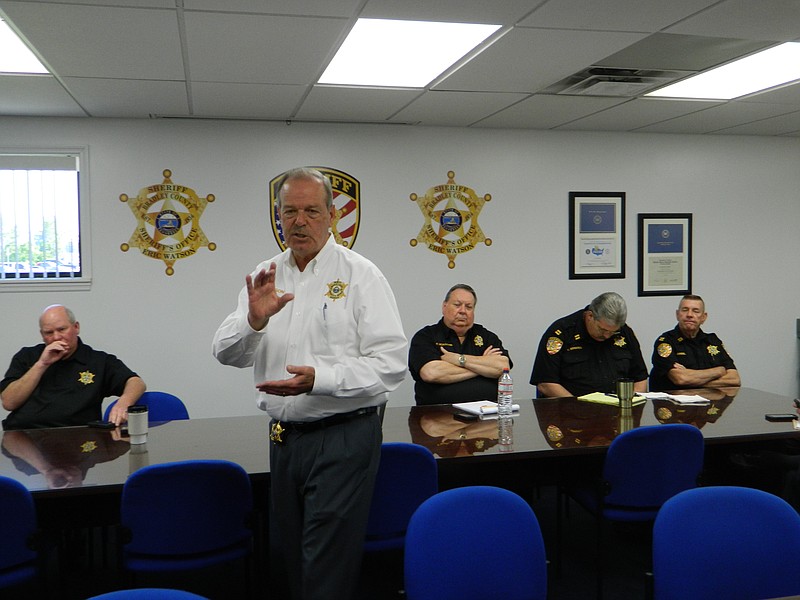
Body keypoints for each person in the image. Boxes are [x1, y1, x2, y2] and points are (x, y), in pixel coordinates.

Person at [212, 167, 407, 600]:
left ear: (332, 215)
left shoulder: (361, 275)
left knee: (325, 563)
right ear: (277, 215)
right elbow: (226, 352)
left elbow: (391, 365)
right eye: (290, 211)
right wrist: (253, 320)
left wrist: (323, 379)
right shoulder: (264, 274)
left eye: (311, 211)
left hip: (343, 436)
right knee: (292, 558)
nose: (299, 221)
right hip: (283, 439)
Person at [1, 305, 145, 430]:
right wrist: (41, 364)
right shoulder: (27, 356)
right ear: (42, 335)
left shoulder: (97, 360)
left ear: (76, 327)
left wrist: (123, 403)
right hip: (23, 436)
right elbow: (9, 402)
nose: (56, 337)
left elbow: (136, 382)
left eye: (62, 329)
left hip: (76, 438)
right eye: (49, 333)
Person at [408, 284, 512, 405]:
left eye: (469, 307)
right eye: (457, 305)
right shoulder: (426, 336)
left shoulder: (486, 336)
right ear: (444, 306)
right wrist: (483, 365)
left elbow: (502, 367)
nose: (463, 311)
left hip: (487, 413)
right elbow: (431, 373)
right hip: (437, 414)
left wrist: (459, 359)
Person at [530, 291, 648, 398]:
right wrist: (578, 407)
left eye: (613, 332)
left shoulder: (624, 333)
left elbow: (640, 378)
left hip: (617, 413)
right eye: (602, 330)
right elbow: (546, 384)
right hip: (570, 413)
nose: (607, 336)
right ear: (590, 316)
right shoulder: (561, 333)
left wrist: (632, 404)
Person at [649, 294, 740, 392]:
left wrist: (692, 379)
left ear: (703, 317)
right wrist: (718, 371)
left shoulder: (713, 341)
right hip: (673, 405)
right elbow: (681, 379)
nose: (689, 315)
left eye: (695, 311)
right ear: (677, 314)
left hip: (710, 404)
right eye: (685, 310)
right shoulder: (665, 342)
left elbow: (734, 379)